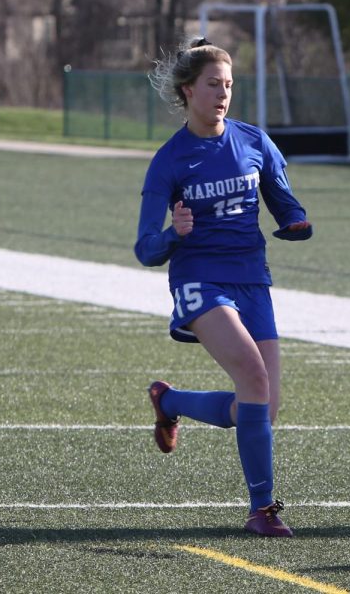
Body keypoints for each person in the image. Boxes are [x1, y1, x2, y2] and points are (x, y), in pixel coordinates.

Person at [134, 36, 312, 537]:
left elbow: (283, 197)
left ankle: (169, 402)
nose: (223, 94)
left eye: (229, 85)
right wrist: (175, 234)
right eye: (213, 84)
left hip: (252, 277)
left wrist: (295, 221)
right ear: (188, 90)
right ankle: (263, 509)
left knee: (262, 409)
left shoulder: (254, 140)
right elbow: (145, 248)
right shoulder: (170, 160)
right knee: (253, 380)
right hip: (199, 279)